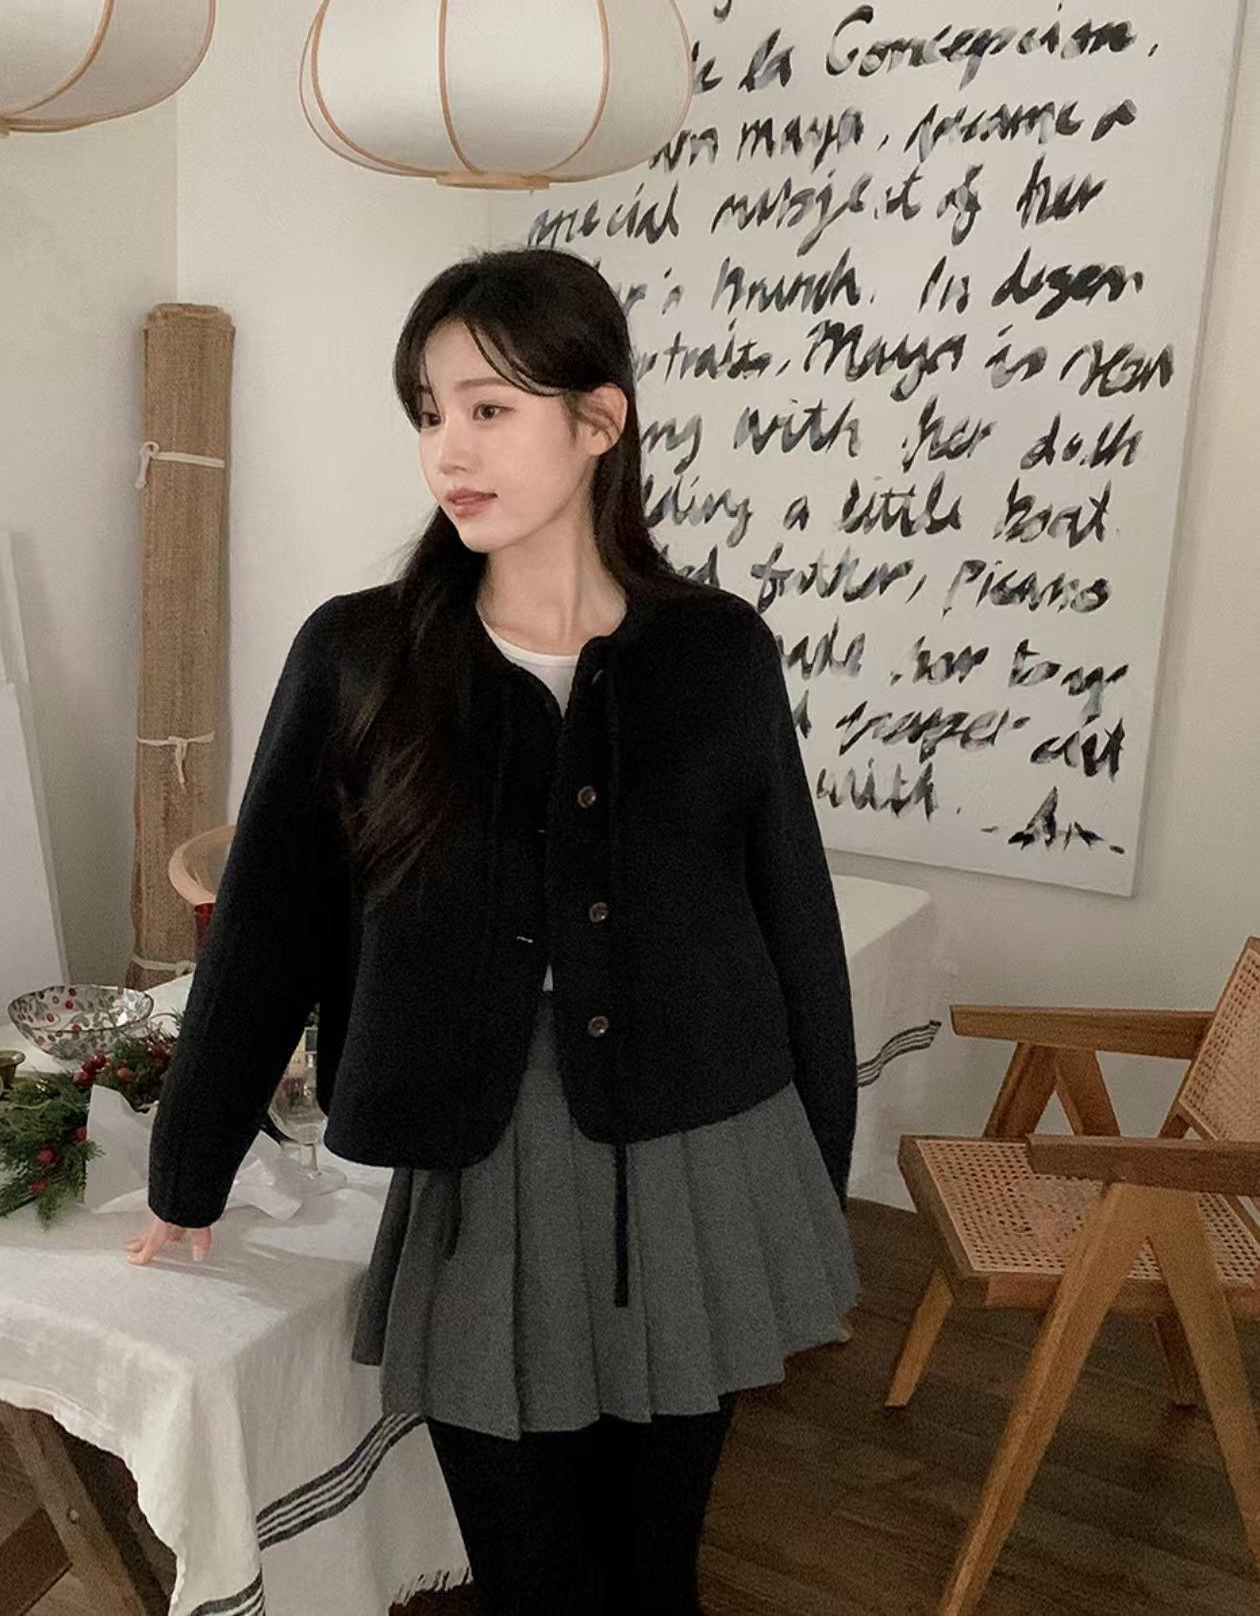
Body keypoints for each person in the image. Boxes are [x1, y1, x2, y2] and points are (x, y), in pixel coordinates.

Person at [125, 246, 861, 1614]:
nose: (447, 450)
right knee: (531, 1577)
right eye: (428, 412)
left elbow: (793, 921)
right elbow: (269, 927)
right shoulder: (362, 655)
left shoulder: (718, 651)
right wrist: (189, 1170)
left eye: (489, 408)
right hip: (486, 1159)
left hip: (707, 1157)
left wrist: (814, 1172)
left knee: (656, 1576)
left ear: (599, 420)